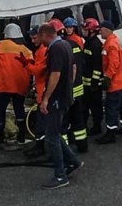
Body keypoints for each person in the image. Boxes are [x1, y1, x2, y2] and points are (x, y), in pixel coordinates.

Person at [38, 23, 83, 190]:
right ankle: (73, 161)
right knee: (55, 134)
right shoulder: (66, 44)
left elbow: (55, 74)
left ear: (44, 35)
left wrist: (46, 99)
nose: (38, 41)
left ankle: (60, 176)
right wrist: (69, 88)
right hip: (65, 96)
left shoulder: (55, 48)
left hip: (56, 99)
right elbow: (73, 67)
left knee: (51, 136)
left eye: (38, 37)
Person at [0, 23, 33, 144]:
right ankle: (21, 136)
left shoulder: (1, 45)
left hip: (4, 85)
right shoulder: (26, 50)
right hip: (20, 86)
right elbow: (32, 67)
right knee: (19, 110)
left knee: (1, 111)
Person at [50, 19, 88, 152]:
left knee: (63, 122)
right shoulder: (74, 44)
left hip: (66, 91)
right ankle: (82, 145)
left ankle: (64, 150)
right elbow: (81, 64)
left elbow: (57, 72)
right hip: (78, 88)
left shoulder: (58, 48)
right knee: (78, 120)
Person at [96, 20, 122, 144]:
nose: (99, 32)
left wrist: (107, 78)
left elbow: (113, 63)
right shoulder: (114, 41)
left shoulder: (110, 44)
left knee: (111, 107)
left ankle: (110, 133)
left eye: (101, 29)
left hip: (116, 82)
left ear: (107, 30)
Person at [17, 25, 48, 158]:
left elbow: (38, 71)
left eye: (35, 38)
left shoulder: (43, 51)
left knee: (42, 123)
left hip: (45, 93)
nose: (32, 40)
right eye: (31, 38)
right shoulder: (41, 50)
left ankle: (41, 147)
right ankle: (41, 145)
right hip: (43, 91)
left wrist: (27, 64)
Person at [81, 18, 104, 135]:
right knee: (86, 106)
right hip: (86, 83)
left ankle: (97, 126)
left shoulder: (95, 45)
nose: (83, 32)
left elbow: (97, 65)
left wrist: (95, 81)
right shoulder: (88, 43)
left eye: (85, 30)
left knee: (96, 106)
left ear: (91, 31)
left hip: (94, 84)